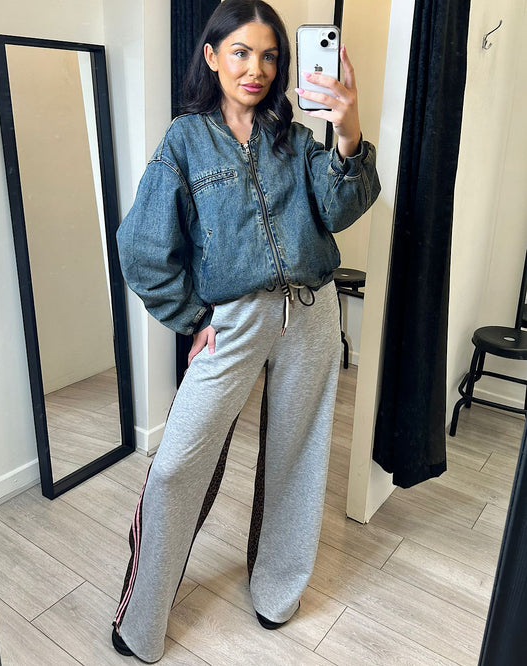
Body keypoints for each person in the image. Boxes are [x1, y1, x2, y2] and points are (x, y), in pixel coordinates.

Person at [111, 0, 380, 661]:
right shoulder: (184, 140)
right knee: (176, 464)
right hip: (234, 320)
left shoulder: (295, 138)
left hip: (311, 313)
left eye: (268, 56)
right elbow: (142, 246)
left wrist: (347, 133)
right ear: (211, 56)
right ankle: (141, 622)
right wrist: (191, 318)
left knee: (297, 457)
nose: (255, 68)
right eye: (240, 52)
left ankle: (276, 594)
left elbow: (341, 208)